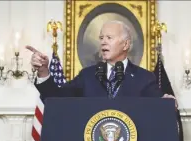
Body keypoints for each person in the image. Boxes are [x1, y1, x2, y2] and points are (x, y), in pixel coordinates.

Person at [26, 20, 176, 103]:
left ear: (125, 44)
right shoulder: (87, 76)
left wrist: (165, 101)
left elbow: (158, 105)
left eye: (109, 38)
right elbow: (55, 98)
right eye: (101, 38)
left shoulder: (144, 78)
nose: (103, 42)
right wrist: (43, 71)